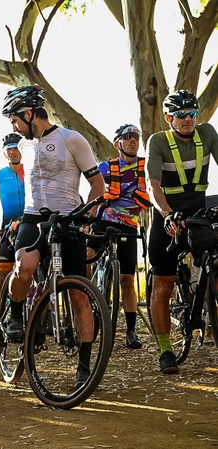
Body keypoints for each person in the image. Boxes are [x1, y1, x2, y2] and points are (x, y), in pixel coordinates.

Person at [1, 85, 105, 387]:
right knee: (24, 266)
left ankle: (84, 365)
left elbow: (97, 185)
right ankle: (16, 315)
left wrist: (86, 217)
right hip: (34, 217)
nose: (14, 127)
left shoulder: (72, 139)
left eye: (14, 120)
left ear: (29, 113)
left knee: (78, 293)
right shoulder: (25, 145)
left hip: (69, 217)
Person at [145, 90, 218, 374]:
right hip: (168, 215)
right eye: (181, 115)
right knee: (163, 284)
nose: (188, 119)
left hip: (199, 214)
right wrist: (166, 214)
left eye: (192, 113)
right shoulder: (158, 141)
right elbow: (152, 185)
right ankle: (166, 350)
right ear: (169, 118)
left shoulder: (207, 133)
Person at [87, 124, 150, 350]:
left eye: (136, 136)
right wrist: (88, 217)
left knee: (127, 280)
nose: (133, 140)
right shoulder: (106, 167)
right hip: (103, 222)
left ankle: (131, 331)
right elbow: (94, 189)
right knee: (87, 257)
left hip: (128, 226)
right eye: (128, 136)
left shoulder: (146, 166)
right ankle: (87, 301)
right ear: (117, 143)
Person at [0, 133, 25, 299]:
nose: (12, 152)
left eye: (16, 148)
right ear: (4, 152)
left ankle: (45, 312)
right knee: (2, 280)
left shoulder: (31, 172)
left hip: (30, 226)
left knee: (36, 277)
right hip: (7, 229)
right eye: (9, 149)